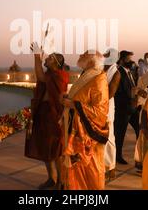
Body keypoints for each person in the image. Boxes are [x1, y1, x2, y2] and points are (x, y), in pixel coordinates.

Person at [60, 51, 109, 190]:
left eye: (84, 55)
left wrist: (74, 105)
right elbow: (81, 96)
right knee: (76, 170)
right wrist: (69, 98)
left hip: (88, 135)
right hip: (76, 128)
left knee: (91, 170)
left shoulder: (98, 78)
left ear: (92, 61)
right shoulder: (87, 75)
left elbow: (100, 112)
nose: (80, 55)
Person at [25, 43, 69, 189]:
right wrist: (38, 57)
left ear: (56, 64)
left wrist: (37, 56)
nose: (47, 58)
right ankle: (51, 178)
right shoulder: (50, 74)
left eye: (50, 58)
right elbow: (42, 78)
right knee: (45, 149)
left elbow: (40, 77)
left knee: (55, 150)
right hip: (43, 113)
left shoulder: (60, 76)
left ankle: (61, 182)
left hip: (53, 115)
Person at [114, 50, 140, 165]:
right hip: (123, 108)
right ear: (123, 59)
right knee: (120, 133)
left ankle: (140, 155)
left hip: (133, 107)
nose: (131, 61)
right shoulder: (119, 72)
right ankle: (117, 155)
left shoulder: (130, 71)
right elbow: (118, 91)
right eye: (129, 59)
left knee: (140, 130)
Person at [103, 49, 121, 180]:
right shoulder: (101, 68)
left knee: (109, 136)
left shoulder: (116, 73)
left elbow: (110, 93)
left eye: (107, 55)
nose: (104, 56)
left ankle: (111, 166)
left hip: (106, 106)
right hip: (96, 105)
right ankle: (101, 165)